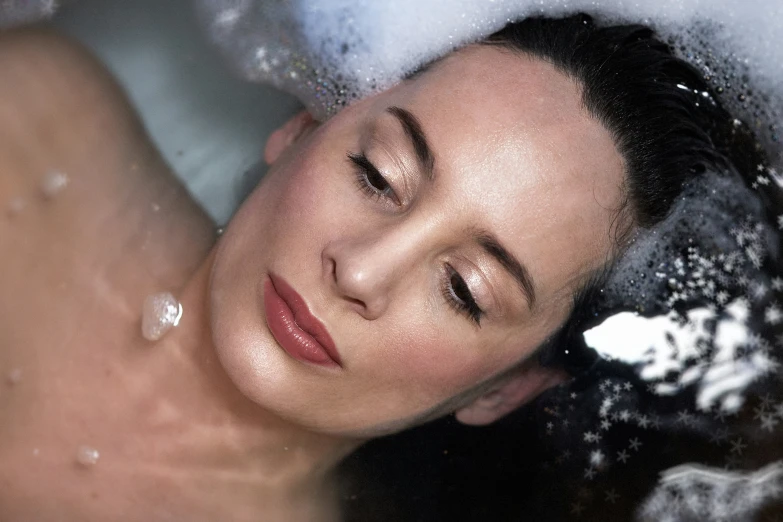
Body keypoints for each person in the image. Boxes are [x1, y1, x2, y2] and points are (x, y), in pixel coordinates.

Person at [0, 14, 731, 521]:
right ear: (302, 129)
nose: (358, 272)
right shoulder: (31, 123)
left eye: (463, 290)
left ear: (504, 390)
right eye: (377, 174)